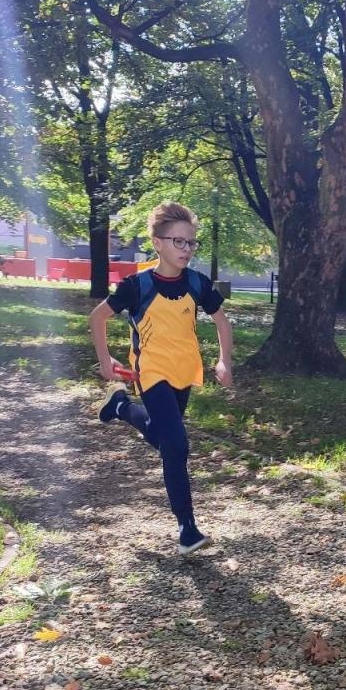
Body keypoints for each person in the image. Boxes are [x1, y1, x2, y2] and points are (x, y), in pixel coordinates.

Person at [89, 201, 233, 556]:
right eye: (177, 242)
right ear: (157, 242)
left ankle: (121, 407)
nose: (185, 249)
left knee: (165, 438)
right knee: (177, 445)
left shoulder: (198, 284)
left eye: (190, 243)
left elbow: (222, 322)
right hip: (150, 369)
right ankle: (187, 528)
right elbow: (97, 317)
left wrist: (224, 360)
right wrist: (105, 358)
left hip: (185, 369)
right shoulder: (137, 286)